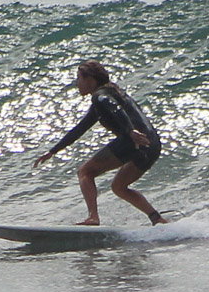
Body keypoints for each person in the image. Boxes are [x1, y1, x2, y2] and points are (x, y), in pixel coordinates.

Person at [33, 61, 168, 225]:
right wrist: (53, 151)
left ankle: (93, 217)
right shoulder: (112, 93)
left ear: (90, 80)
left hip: (135, 141)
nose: (77, 84)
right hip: (152, 144)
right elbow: (80, 129)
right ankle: (157, 219)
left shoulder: (101, 96)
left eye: (79, 79)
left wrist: (130, 132)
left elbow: (115, 109)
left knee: (85, 172)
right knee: (119, 187)